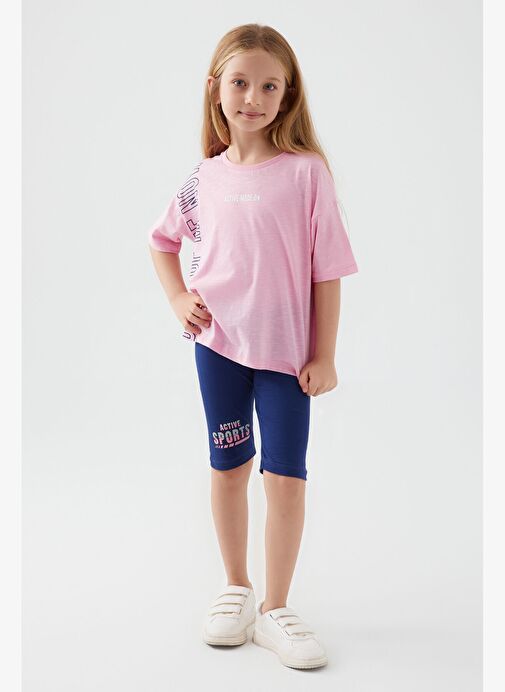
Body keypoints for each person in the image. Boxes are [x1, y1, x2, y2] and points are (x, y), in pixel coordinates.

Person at [147, 23, 358, 670]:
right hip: (217, 349)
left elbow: (327, 270)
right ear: (216, 88)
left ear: (287, 95)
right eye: (240, 82)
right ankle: (235, 587)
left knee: (285, 479)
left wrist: (323, 354)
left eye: (270, 86)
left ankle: (275, 607)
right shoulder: (202, 178)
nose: (253, 97)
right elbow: (162, 241)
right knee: (229, 468)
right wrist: (178, 298)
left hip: (287, 359)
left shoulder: (306, 174)